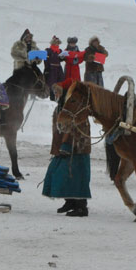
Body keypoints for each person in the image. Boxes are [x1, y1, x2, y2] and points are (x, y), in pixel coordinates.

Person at [42, 84, 91, 217]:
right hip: (64, 146)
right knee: (59, 173)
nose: (56, 95)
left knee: (76, 176)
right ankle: (69, 201)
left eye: (58, 92)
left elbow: (74, 126)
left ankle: (81, 207)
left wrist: (65, 144)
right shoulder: (62, 106)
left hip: (76, 147)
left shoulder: (74, 106)